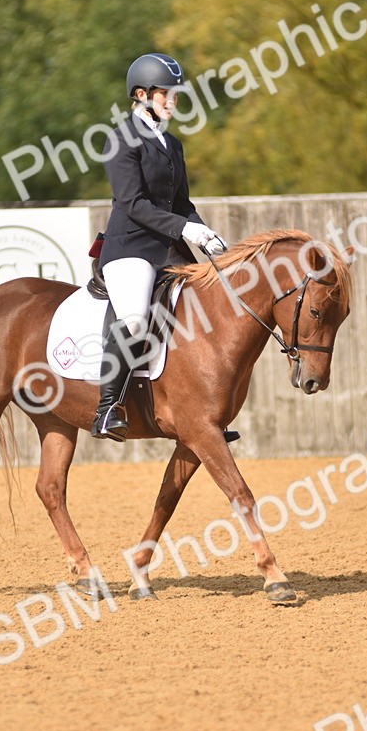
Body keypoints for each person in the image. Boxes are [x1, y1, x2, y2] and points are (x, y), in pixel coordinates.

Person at [91, 52, 228, 441]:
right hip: (129, 247)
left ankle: (205, 410)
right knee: (134, 321)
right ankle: (107, 408)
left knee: (209, 306)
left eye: (175, 93)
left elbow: (182, 205)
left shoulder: (172, 144)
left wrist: (209, 238)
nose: (174, 100)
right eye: (167, 93)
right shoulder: (120, 140)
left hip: (168, 249)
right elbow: (133, 204)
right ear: (141, 94)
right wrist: (187, 230)